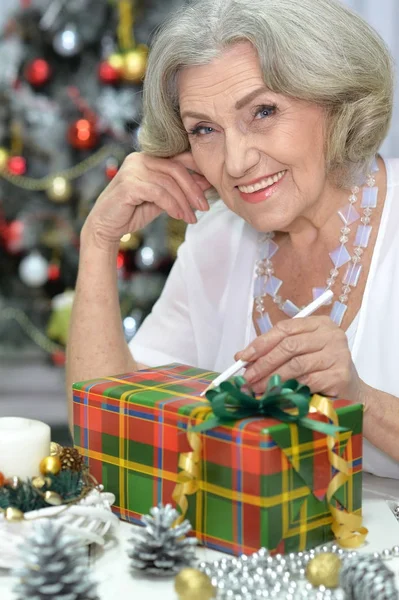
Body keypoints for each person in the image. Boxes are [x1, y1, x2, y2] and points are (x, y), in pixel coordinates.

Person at [66, 0, 399, 478]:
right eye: (205, 130)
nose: (237, 161)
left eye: (263, 111)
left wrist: (361, 400)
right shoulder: (214, 241)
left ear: (335, 100)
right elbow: (108, 433)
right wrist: (98, 241)